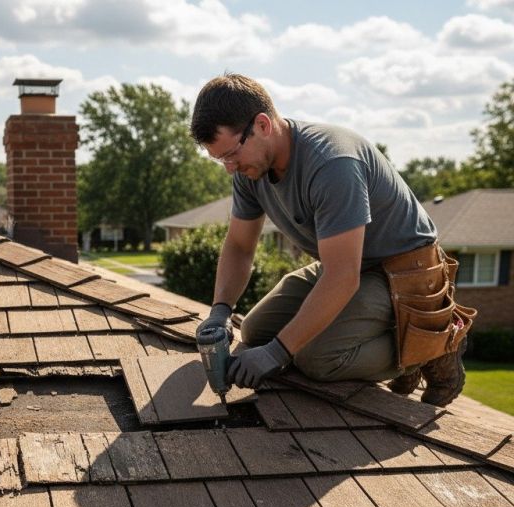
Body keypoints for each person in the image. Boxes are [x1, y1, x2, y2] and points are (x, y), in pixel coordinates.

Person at [190, 74, 473, 407]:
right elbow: (239, 246)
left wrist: (278, 353)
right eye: (220, 159)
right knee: (256, 332)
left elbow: (342, 277)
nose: (229, 169)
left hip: (404, 271)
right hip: (349, 265)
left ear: (263, 125)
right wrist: (220, 312)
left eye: (231, 155)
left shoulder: (332, 164)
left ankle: (431, 347)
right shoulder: (250, 169)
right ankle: (399, 344)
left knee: (315, 359)